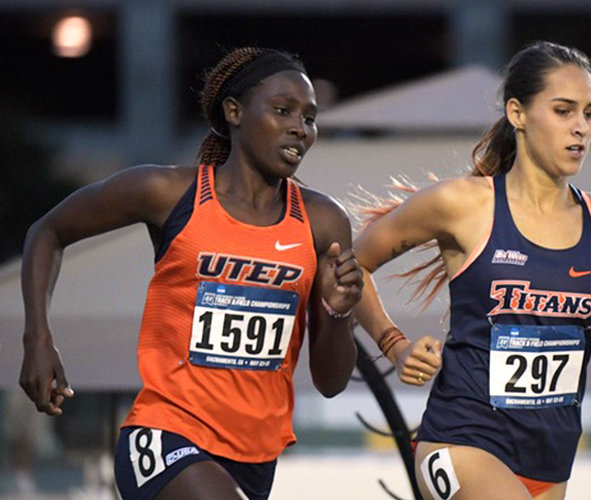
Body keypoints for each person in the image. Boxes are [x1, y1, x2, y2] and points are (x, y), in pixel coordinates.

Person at [19, 46, 362, 500]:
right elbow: (47, 232)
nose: (301, 128)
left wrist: (337, 314)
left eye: (310, 118)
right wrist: (38, 339)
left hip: (256, 459)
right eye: (283, 111)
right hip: (164, 437)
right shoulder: (167, 192)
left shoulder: (322, 222)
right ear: (234, 111)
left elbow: (332, 382)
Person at [354, 41, 591, 500]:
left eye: (590, 113)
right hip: (462, 442)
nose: (581, 128)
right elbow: (351, 264)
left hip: (549, 463)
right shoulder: (462, 205)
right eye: (564, 111)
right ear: (517, 113)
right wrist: (395, 346)